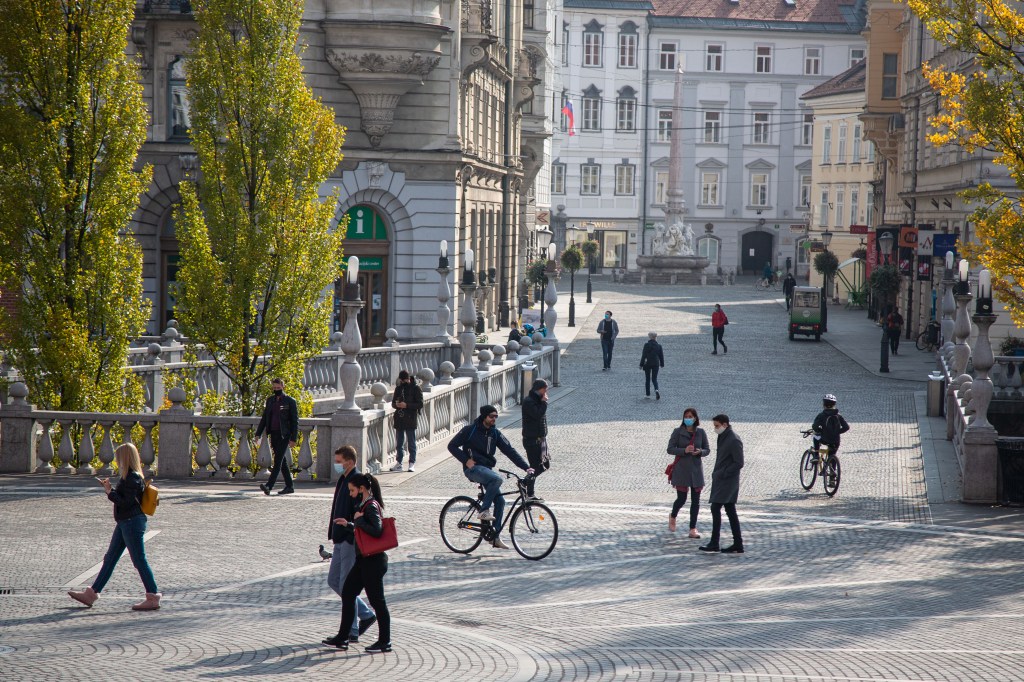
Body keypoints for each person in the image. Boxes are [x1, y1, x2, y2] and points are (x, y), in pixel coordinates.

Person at [68, 443, 161, 611]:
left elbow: (125, 503)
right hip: (126, 522)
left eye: (119, 457)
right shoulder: (131, 476)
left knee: (139, 559)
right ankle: (92, 593)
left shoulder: (132, 477)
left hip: (131, 521)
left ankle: (153, 596)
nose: (117, 461)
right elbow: (126, 500)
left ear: (125, 457)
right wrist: (110, 489)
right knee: (110, 558)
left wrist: (109, 492)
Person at [448, 405, 534, 549]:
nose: (494, 419)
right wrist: (466, 460)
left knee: (500, 501)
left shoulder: (495, 433)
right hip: (473, 469)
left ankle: (494, 537)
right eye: (491, 416)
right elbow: (452, 446)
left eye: (496, 417)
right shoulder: (470, 430)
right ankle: (483, 511)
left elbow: (510, 451)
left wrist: (526, 467)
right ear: (484, 417)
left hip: (486, 470)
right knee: (497, 479)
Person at [323, 446, 377, 647]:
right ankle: (366, 614)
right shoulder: (343, 479)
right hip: (339, 538)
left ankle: (351, 631)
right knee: (333, 581)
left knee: (347, 586)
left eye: (339, 461)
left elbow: (358, 511)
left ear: (350, 462)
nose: (336, 464)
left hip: (348, 539)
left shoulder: (356, 481)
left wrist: (348, 530)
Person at [331, 473, 392, 653]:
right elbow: (364, 528)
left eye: (352, 490)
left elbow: (377, 530)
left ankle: (385, 641)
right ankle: (342, 638)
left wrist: (357, 520)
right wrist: (350, 524)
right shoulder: (364, 505)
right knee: (348, 593)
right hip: (364, 560)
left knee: (377, 602)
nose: (350, 494)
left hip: (373, 562)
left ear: (362, 489)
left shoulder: (371, 505)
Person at [699, 414, 744, 554]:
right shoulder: (724, 437)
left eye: (717, 426)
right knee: (729, 510)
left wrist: (724, 473)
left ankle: (715, 542)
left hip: (727, 481)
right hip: (722, 479)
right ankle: (737, 543)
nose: (715, 429)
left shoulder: (733, 440)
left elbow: (739, 462)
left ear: (725, 424)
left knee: (716, 507)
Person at [666, 408, 710, 538]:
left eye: (690, 416)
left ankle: (692, 528)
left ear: (695, 418)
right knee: (682, 498)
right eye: (686, 416)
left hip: (696, 470)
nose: (688, 418)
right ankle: (673, 515)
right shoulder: (677, 432)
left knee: (696, 501)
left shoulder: (701, 433)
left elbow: (707, 449)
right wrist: (684, 450)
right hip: (682, 470)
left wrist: (700, 452)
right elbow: (670, 449)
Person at [256, 377, 299, 496]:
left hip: (284, 434)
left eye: (278, 388)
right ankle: (289, 486)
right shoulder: (270, 400)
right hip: (273, 433)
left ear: (283, 387)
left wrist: (293, 438)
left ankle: (269, 485)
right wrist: (258, 433)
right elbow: (265, 418)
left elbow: (295, 421)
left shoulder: (290, 401)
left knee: (278, 460)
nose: (276, 390)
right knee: (282, 461)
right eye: (274, 388)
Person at [521, 379, 551, 500]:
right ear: (539, 389)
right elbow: (537, 415)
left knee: (545, 464)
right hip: (531, 440)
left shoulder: (536, 400)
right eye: (545, 388)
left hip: (540, 440)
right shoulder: (529, 401)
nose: (546, 391)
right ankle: (530, 494)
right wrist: (544, 403)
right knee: (534, 467)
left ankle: (524, 483)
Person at [389, 370, 423, 472]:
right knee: (399, 443)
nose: (404, 382)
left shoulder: (416, 388)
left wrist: (407, 405)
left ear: (409, 379)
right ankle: (399, 463)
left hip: (410, 418)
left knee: (411, 442)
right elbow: (393, 404)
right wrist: (397, 404)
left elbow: (420, 404)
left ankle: (411, 463)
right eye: (402, 380)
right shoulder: (398, 388)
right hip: (400, 418)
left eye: (405, 380)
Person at [811, 393, 851, 462]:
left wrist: (820, 431)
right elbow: (846, 427)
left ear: (823, 404)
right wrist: (837, 431)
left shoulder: (821, 415)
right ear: (834, 404)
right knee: (832, 455)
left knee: (815, 436)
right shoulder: (838, 415)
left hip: (825, 438)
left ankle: (816, 455)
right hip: (835, 440)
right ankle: (833, 471)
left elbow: (815, 427)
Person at [640, 331, 665, 399]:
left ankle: (648, 394)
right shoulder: (659, 346)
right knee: (654, 379)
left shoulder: (646, 345)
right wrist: (662, 364)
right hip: (656, 363)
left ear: (650, 337)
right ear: (655, 337)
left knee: (647, 379)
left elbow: (644, 355)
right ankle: (656, 390)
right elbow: (661, 356)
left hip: (648, 363)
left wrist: (641, 364)